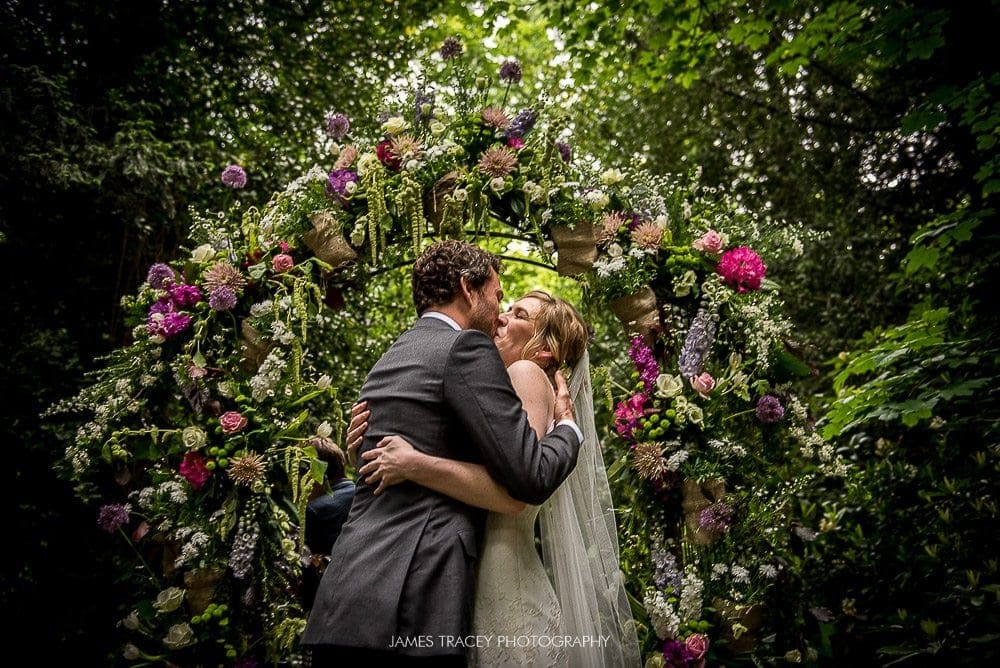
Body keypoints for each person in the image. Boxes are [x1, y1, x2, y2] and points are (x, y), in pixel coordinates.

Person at [301, 241, 584, 665]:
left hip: (348, 595)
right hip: (413, 597)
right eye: (497, 294)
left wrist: (374, 455)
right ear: (469, 289)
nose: (500, 309)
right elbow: (526, 478)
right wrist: (567, 427)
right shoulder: (466, 349)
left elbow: (397, 447)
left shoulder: (395, 354)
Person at [352, 290, 641, 667]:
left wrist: (413, 463)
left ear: (544, 351)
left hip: (504, 581)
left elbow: (517, 489)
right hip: (472, 572)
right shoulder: (495, 390)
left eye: (518, 314)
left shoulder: (526, 373)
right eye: (506, 308)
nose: (501, 317)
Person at [300, 441, 355, 610]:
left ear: (313, 475)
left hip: (338, 603)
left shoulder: (316, 510)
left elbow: (312, 577)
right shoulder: (366, 494)